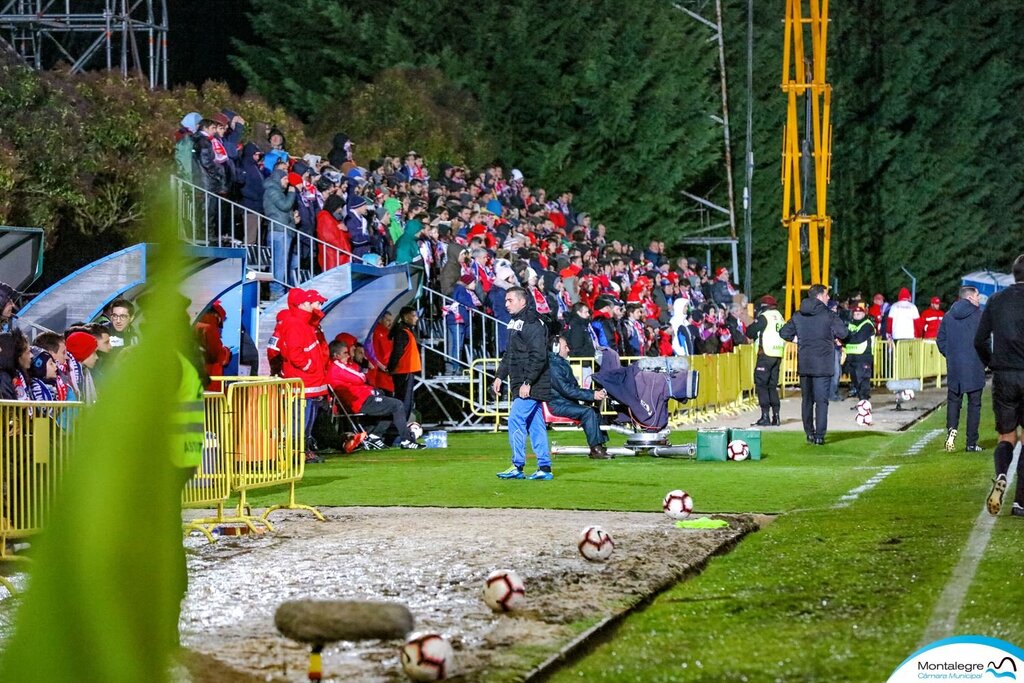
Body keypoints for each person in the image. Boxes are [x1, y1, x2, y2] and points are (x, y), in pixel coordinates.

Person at [974, 256, 1024, 518]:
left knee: (1006, 436)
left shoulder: (996, 300)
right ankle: (1020, 503)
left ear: (1013, 275)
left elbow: (979, 339)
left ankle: (1002, 475)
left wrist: (991, 362)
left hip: (1004, 376)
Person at [493, 286, 553, 480]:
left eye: (510, 300)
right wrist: (499, 376)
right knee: (536, 426)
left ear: (522, 301)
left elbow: (538, 356)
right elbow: (510, 353)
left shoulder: (532, 323)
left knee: (515, 419)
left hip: (530, 383)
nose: (506, 304)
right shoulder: (515, 322)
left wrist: (527, 382)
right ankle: (544, 468)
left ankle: (517, 465)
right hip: (524, 382)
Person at [780, 284, 849, 445]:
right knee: (821, 401)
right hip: (823, 365)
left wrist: (798, 340)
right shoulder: (828, 315)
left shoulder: (798, 315)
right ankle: (820, 435)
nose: (828, 297)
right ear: (819, 296)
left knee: (807, 400)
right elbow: (843, 333)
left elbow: (784, 332)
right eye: (826, 295)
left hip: (805, 364)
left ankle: (809, 433)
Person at [268, 288, 329, 461]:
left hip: (310, 380)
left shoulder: (304, 323)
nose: (318, 306)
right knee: (300, 419)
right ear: (303, 303)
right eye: (315, 303)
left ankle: (303, 450)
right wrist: (309, 366)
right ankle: (297, 452)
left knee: (307, 419)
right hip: (304, 381)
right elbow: (293, 353)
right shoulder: (295, 323)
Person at [326, 340, 424, 449]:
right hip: (360, 402)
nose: (348, 356)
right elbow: (360, 378)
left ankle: (375, 436)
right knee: (397, 405)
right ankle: (407, 441)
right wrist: (361, 379)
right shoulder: (337, 367)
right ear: (336, 355)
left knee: (392, 406)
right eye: (345, 353)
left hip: (360, 400)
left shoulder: (339, 367)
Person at [937, 286, 985, 453]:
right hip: (974, 366)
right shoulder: (979, 316)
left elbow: (940, 340)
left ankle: (951, 433)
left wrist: (950, 355)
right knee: (974, 405)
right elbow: (984, 342)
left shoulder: (948, 316)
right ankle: (971, 443)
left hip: (955, 367)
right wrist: (984, 359)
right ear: (970, 297)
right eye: (978, 296)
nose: (979, 299)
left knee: (953, 402)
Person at [548, 335, 610, 459]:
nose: (568, 350)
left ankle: (600, 444)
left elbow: (570, 390)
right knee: (588, 412)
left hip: (564, 402)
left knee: (594, 411)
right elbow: (567, 390)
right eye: (565, 347)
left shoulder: (558, 364)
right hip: (558, 405)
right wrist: (592, 395)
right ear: (556, 348)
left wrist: (591, 394)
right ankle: (596, 449)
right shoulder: (554, 367)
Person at [746, 295, 785, 426]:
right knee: (772, 387)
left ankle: (765, 416)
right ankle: (777, 416)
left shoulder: (765, 317)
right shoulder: (780, 317)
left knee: (762, 385)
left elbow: (750, 332)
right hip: (778, 354)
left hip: (765, 354)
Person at [387, 306, 421, 419]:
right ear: (406, 317)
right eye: (413, 315)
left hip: (405, 370)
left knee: (405, 399)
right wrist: (391, 368)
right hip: (404, 370)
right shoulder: (402, 332)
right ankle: (401, 424)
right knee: (404, 399)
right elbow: (397, 352)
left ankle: (402, 423)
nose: (416, 318)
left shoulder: (405, 331)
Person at [844, 304, 875, 403]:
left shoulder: (867, 324)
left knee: (863, 381)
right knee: (856, 381)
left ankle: (864, 402)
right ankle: (861, 402)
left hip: (863, 357)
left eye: (859, 313)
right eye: (855, 314)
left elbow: (858, 339)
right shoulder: (851, 324)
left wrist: (846, 339)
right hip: (852, 357)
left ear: (863, 314)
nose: (857, 315)